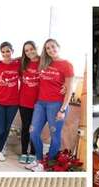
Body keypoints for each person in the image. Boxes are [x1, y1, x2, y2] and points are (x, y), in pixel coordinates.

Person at [28, 38, 74, 170]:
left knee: (55, 135)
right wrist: (0, 60)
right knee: (33, 132)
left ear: (58, 46)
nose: (51, 50)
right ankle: (39, 160)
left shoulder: (66, 64)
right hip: (40, 103)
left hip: (56, 104)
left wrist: (63, 109)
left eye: (53, 46)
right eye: (47, 48)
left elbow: (69, 88)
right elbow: (27, 56)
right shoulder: (43, 62)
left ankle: (47, 165)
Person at [0, 41, 20, 162]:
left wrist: (14, 59)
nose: (6, 54)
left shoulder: (18, 65)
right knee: (0, 128)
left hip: (14, 102)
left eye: (8, 51)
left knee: (7, 128)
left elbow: (26, 57)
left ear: (12, 51)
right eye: (3, 52)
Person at [17, 40, 40, 164]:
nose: (29, 52)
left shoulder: (44, 62)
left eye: (31, 49)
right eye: (26, 50)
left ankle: (33, 153)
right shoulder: (22, 63)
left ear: (36, 48)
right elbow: (9, 62)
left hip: (39, 103)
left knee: (35, 128)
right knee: (25, 127)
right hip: (24, 102)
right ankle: (23, 152)